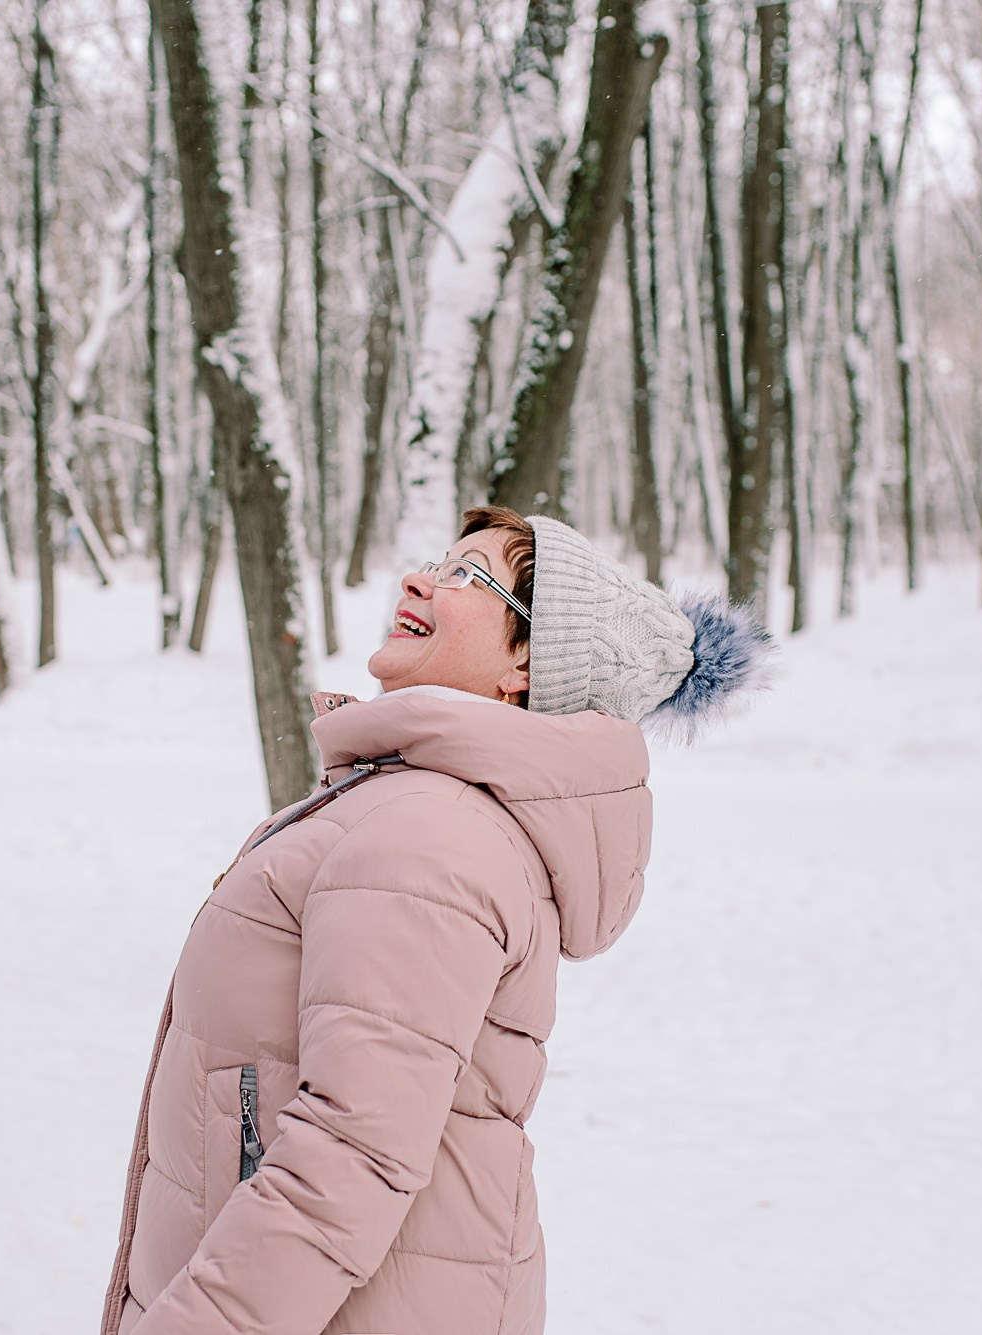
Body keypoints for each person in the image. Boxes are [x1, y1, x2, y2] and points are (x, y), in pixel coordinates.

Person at [100, 506, 768, 1335]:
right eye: (435, 560)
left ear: (527, 659)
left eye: (467, 574)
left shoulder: (430, 831)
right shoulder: (419, 804)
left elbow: (350, 1155)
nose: (418, 579)